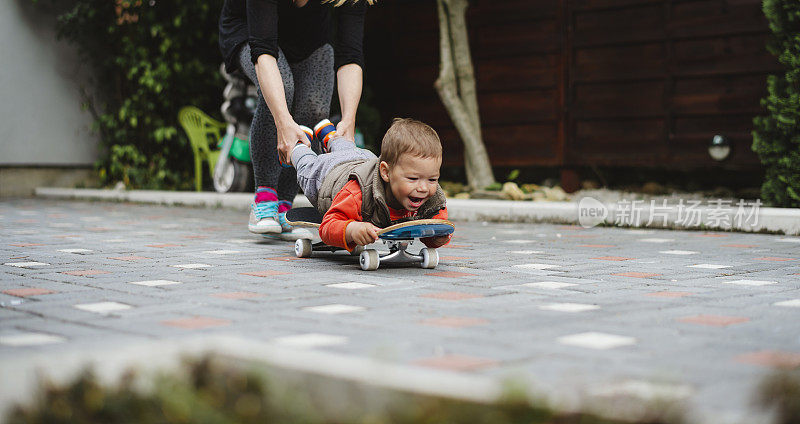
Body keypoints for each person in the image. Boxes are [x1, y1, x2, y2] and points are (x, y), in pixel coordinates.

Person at [218, 0, 369, 237]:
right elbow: (263, 50)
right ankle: (264, 199)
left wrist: (349, 121)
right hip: (250, 31)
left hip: (310, 37)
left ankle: (284, 206)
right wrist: (282, 121)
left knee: (313, 105)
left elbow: (350, 54)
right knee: (282, 92)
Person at [290, 118, 452, 251]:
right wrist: (351, 230)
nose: (423, 188)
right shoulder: (357, 194)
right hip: (328, 172)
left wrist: (437, 238)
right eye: (412, 179)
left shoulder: (431, 201)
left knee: (349, 149)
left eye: (432, 179)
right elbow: (328, 226)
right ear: (386, 173)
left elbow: (434, 228)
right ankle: (299, 145)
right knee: (306, 166)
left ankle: (331, 136)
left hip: (363, 158)